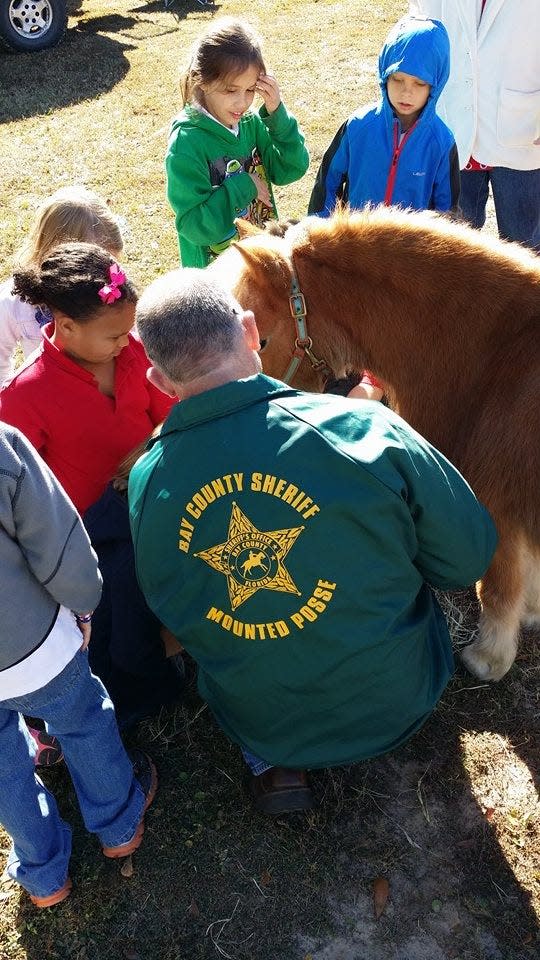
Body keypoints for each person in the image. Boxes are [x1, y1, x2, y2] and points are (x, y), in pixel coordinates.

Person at [128, 269, 497, 816]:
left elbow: (176, 609)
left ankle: (274, 760)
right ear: (251, 331)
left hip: (264, 720)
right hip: (402, 699)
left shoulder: (149, 478)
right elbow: (466, 557)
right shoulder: (365, 427)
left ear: (160, 382)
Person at [0, 243, 184, 729]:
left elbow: (170, 416)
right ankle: (137, 691)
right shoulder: (25, 395)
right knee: (118, 610)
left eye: (129, 331)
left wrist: (147, 450)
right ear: (65, 327)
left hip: (151, 500)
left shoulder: (135, 353)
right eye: (114, 336)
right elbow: (22, 496)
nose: (127, 343)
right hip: (88, 536)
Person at [0, 422, 157, 908]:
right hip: (34, 644)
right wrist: (84, 603)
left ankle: (44, 875)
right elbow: (56, 540)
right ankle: (119, 826)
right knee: (84, 722)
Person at [165, 16, 309, 267]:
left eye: (251, 89)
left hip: (259, 265)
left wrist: (278, 116)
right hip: (216, 277)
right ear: (203, 79)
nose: (242, 102)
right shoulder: (187, 142)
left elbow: (290, 169)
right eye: (231, 90)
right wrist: (245, 186)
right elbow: (193, 224)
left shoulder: (250, 123)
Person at [409, 0, 539, 251]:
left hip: (525, 125)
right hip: (454, 123)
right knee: (453, 252)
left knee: (528, 250)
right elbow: (419, 18)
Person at [308, 15, 459, 220]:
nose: (406, 92)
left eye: (420, 83)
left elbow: (447, 212)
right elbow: (328, 181)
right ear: (384, 75)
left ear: (436, 85)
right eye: (398, 79)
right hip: (355, 242)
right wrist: (320, 231)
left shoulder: (441, 142)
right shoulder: (358, 127)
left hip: (408, 249)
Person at [0, 186, 124, 386]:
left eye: (109, 265)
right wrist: (12, 405)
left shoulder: (116, 291)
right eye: (91, 269)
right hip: (47, 403)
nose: (102, 278)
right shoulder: (18, 304)